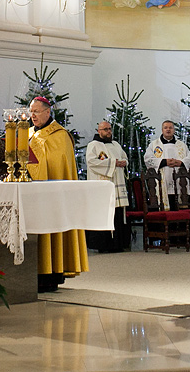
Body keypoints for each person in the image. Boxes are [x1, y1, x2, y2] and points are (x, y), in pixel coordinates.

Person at [27, 96, 89, 291]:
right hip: (29, 193)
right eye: (31, 112)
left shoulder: (60, 135)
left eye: (36, 112)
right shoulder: (27, 132)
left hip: (51, 195)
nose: (33, 116)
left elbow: (57, 164)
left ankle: (52, 274)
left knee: (51, 230)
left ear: (47, 112)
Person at [85, 120, 130, 253]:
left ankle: (118, 243)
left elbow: (124, 157)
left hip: (117, 184)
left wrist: (123, 163)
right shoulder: (93, 145)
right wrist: (112, 163)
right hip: (102, 187)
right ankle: (103, 245)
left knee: (117, 215)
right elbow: (91, 162)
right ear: (98, 131)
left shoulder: (116, 144)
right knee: (104, 213)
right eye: (105, 129)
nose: (108, 131)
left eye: (110, 129)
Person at [143, 120, 190, 209]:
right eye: (165, 128)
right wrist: (164, 162)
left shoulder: (181, 145)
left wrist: (181, 162)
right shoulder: (154, 145)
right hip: (163, 181)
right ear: (162, 130)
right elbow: (148, 159)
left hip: (179, 183)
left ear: (174, 130)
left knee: (178, 207)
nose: (168, 130)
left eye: (170, 127)